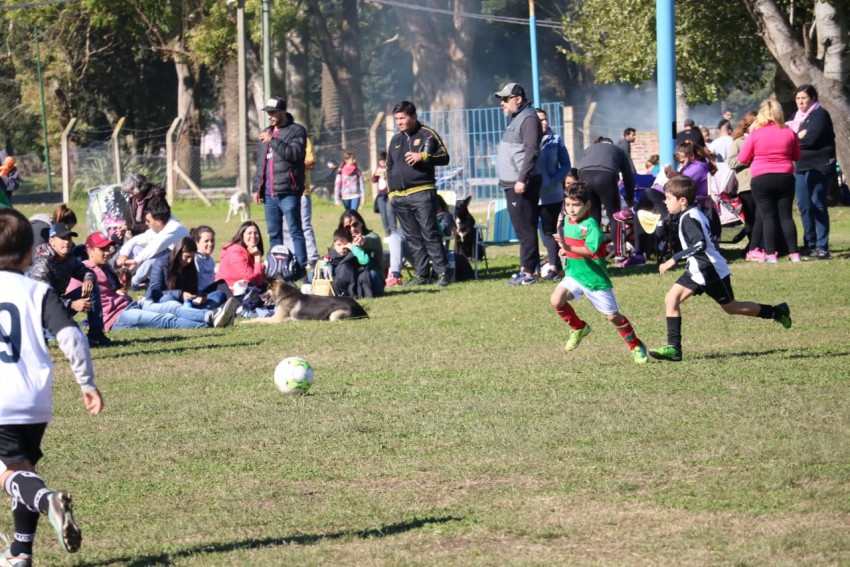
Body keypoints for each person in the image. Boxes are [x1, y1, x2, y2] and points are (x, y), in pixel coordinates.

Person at [0, 208, 104, 565]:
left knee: (11, 474)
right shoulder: (38, 291)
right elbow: (72, 337)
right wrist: (87, 383)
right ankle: (21, 552)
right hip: (36, 399)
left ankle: (48, 501)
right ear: (30, 252)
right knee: (23, 469)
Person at [649, 176, 792, 362]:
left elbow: (700, 244)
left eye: (668, 198)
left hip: (710, 270)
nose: (665, 202)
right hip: (696, 269)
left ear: (682, 200)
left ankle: (776, 312)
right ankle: (674, 348)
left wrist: (673, 259)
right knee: (671, 298)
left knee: (732, 307)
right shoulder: (691, 213)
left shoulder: (689, 218)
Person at [549, 181, 648, 364]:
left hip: (595, 279)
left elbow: (590, 251)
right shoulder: (567, 221)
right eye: (568, 204)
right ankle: (579, 328)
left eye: (576, 205)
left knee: (613, 317)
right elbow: (572, 246)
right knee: (556, 300)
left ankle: (636, 345)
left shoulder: (591, 225)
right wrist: (565, 250)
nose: (571, 209)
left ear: (587, 205)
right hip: (574, 275)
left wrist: (567, 248)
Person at [83, 234, 238, 331]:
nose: (107, 252)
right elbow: (73, 297)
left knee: (173, 307)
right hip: (116, 316)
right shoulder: (83, 271)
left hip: (131, 304)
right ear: (89, 250)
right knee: (167, 317)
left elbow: (115, 291)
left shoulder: (106, 267)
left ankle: (211, 315)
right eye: (102, 249)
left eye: (107, 248)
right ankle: (212, 320)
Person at [386, 100, 451, 287]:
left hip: (422, 193)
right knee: (413, 237)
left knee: (430, 233)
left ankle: (443, 272)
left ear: (413, 117)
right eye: (396, 119)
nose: (399, 122)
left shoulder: (427, 134)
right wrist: (392, 194)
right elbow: (389, 168)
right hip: (399, 198)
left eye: (402, 118)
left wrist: (422, 156)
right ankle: (422, 274)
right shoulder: (395, 140)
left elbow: (445, 157)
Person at [736, 99, 801, 263]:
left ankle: (771, 254)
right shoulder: (789, 132)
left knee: (768, 217)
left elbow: (742, 158)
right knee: (786, 217)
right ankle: (794, 253)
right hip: (785, 177)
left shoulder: (755, 134)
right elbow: (797, 156)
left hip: (762, 178)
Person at [29, 223, 114, 347]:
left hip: (57, 305)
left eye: (69, 238)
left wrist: (88, 279)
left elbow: (86, 271)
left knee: (92, 286)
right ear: (52, 241)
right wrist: (72, 304)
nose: (67, 242)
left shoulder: (67, 257)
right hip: (39, 312)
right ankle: (44, 334)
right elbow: (44, 299)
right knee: (73, 341)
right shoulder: (42, 264)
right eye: (62, 238)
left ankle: (96, 335)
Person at [493, 83, 543, 286]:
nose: (502, 103)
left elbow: (531, 151)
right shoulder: (517, 118)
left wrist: (522, 179)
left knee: (525, 228)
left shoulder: (528, 118)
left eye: (506, 99)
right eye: (501, 100)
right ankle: (527, 268)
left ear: (518, 99)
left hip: (520, 183)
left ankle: (528, 273)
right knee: (523, 227)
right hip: (512, 183)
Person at [252, 96, 308, 269]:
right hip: (269, 195)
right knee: (274, 234)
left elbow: (294, 154)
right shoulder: (266, 131)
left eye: (273, 112)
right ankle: (277, 269)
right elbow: (261, 163)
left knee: (295, 231)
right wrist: (257, 188)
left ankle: (301, 269)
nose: (270, 116)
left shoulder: (297, 131)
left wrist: (273, 140)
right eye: (268, 113)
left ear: (283, 112)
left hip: (289, 192)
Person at [788, 84, 836, 260]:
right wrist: (797, 136)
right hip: (801, 166)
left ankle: (822, 247)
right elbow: (788, 138)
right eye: (798, 98)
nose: (800, 102)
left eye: (804, 98)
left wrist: (795, 138)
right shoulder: (795, 117)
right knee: (804, 206)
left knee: (818, 204)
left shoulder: (820, 115)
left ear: (813, 98)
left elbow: (810, 139)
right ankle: (810, 243)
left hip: (819, 166)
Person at [116, 197, 190, 288]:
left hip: (181, 265)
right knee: (137, 248)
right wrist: (124, 255)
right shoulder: (162, 225)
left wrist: (136, 261)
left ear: (158, 221)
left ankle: (132, 284)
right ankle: (122, 279)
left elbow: (155, 247)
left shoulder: (174, 227)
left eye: (148, 221)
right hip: (167, 260)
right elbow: (136, 240)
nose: (146, 224)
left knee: (154, 259)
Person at [536, 108, 572, 281]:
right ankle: (530, 269)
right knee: (530, 232)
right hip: (530, 194)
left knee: (550, 231)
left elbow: (566, 164)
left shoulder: (555, 139)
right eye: (540, 120)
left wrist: (554, 180)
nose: (544, 123)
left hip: (551, 194)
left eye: (545, 119)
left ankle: (554, 268)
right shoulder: (524, 140)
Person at [727, 111, 763, 260]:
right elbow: (731, 162)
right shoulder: (738, 142)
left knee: (761, 217)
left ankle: (758, 246)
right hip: (746, 185)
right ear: (748, 124)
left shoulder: (762, 139)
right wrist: (747, 158)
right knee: (750, 219)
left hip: (761, 183)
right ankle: (752, 247)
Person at [578, 136, 635, 230]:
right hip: (606, 176)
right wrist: (630, 198)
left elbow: (580, 169)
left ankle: (594, 239)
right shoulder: (618, 150)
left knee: (593, 217)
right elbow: (628, 176)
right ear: (611, 144)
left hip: (585, 177)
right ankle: (616, 240)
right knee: (615, 217)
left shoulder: (589, 148)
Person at [338, 209, 384, 297]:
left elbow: (371, 240)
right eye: (348, 227)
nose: (353, 229)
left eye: (355, 224)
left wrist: (363, 240)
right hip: (352, 278)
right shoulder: (343, 241)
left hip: (373, 279)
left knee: (371, 274)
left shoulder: (373, 237)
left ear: (361, 223)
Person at [217, 221, 268, 293]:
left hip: (243, 289)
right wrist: (257, 257)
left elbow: (259, 280)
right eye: (249, 233)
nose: (253, 236)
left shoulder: (249, 251)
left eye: (256, 233)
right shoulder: (235, 254)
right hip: (229, 292)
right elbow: (253, 280)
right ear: (242, 235)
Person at [372, 151, 395, 235]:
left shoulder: (391, 168)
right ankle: (387, 233)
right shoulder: (379, 168)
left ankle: (394, 231)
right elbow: (373, 180)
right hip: (381, 195)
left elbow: (394, 180)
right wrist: (376, 175)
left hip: (390, 194)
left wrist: (386, 176)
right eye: (381, 162)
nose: (382, 164)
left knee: (390, 212)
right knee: (383, 215)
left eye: (384, 162)